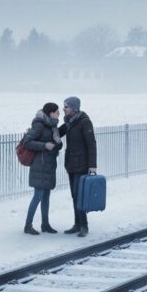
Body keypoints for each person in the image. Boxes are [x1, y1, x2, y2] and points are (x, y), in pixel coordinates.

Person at [21, 103, 62, 235]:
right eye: (56, 112)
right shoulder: (39, 124)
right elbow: (27, 141)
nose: (59, 114)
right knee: (38, 196)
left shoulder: (53, 126)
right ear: (50, 113)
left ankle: (45, 224)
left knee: (46, 196)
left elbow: (56, 145)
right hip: (39, 166)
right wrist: (44, 145)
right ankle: (28, 226)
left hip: (49, 165)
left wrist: (57, 144)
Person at [60, 96, 97, 237]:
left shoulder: (85, 122)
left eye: (66, 106)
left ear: (74, 108)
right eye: (64, 106)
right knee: (74, 196)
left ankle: (84, 226)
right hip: (70, 164)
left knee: (79, 195)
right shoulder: (69, 122)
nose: (64, 109)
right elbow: (57, 133)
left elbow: (91, 144)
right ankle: (77, 224)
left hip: (81, 164)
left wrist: (92, 165)